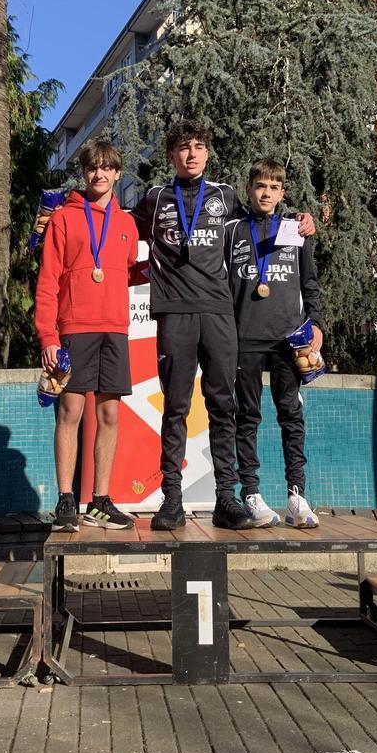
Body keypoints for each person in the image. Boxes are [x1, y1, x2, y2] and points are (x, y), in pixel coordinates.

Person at [131, 120, 315, 531]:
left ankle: (226, 500)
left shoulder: (225, 196)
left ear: (208, 153)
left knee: (223, 407)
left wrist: (302, 220)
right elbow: (119, 231)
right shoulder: (154, 198)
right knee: (176, 407)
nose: (191, 154)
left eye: (198, 146)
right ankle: (172, 499)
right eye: (182, 147)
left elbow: (262, 217)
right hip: (174, 313)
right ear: (171, 155)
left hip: (219, 316)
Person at [35, 139, 139, 531]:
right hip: (74, 327)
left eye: (107, 168)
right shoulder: (63, 219)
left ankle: (99, 500)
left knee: (109, 413)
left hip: (114, 327)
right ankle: (66, 499)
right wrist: (48, 336)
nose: (99, 174)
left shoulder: (126, 223)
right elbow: (47, 282)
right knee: (71, 411)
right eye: (92, 168)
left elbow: (126, 271)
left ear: (117, 173)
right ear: (85, 173)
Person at [226, 158, 323, 528]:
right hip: (245, 338)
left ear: (282, 193)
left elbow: (309, 283)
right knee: (246, 417)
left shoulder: (296, 229)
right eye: (260, 185)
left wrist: (316, 323)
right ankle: (250, 493)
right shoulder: (233, 231)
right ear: (249, 189)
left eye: (274, 187)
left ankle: (297, 496)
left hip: (289, 339)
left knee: (291, 417)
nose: (266, 193)